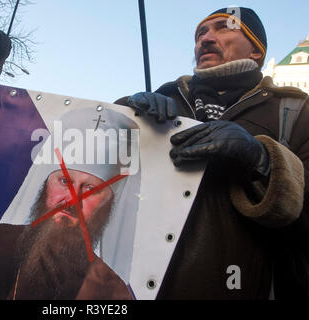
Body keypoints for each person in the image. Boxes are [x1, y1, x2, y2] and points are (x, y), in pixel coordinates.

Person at [116, 7, 308, 299]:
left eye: (223, 28)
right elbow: (103, 187)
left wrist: (261, 160)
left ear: (256, 50)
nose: (205, 38)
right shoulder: (167, 99)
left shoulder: (296, 112)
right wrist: (121, 116)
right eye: (200, 33)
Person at [0, 107, 141, 299]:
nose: (71, 199)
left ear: (109, 204)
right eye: (65, 181)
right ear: (45, 184)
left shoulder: (109, 289)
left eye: (91, 189)